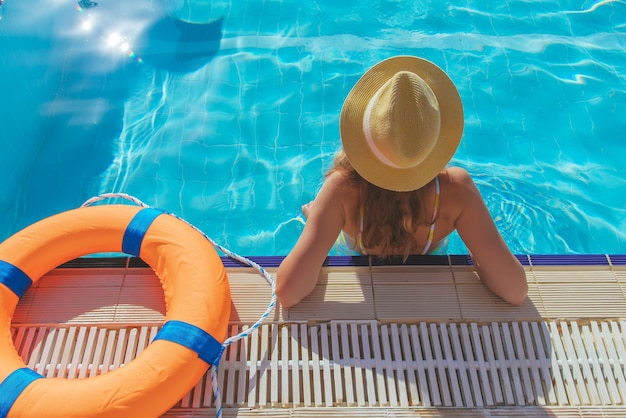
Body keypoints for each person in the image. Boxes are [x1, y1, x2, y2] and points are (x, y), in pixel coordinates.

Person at [276, 55, 528, 308]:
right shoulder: (456, 190)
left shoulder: (342, 190)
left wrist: (323, 226)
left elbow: (288, 292)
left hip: (358, 258)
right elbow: (514, 291)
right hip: (431, 279)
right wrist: (480, 255)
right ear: (435, 138)